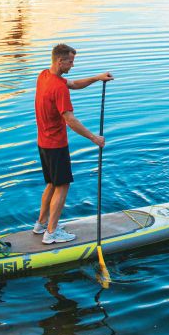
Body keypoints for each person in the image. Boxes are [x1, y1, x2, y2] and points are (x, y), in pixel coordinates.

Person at [32, 43, 113, 244]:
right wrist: (95, 138)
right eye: (70, 61)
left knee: (52, 183)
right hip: (56, 145)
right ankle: (51, 233)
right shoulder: (59, 88)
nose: (72, 65)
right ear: (60, 61)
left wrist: (97, 78)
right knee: (62, 185)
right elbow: (71, 120)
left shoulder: (44, 76)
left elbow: (74, 84)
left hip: (43, 142)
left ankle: (41, 224)